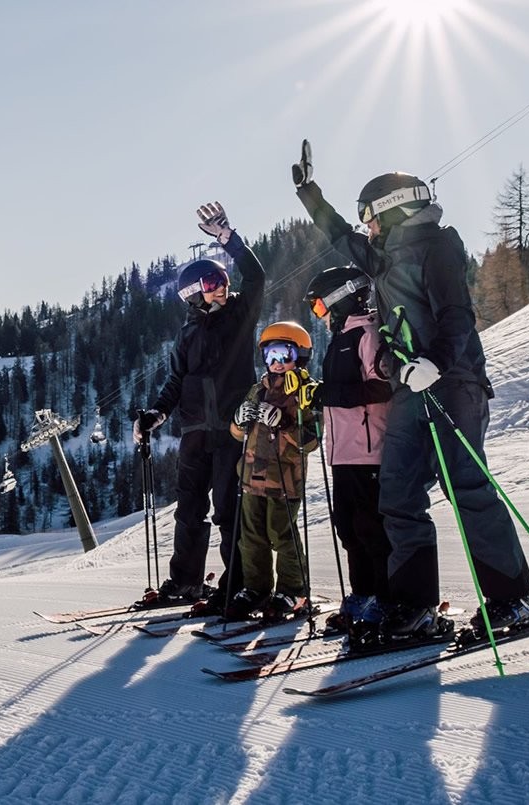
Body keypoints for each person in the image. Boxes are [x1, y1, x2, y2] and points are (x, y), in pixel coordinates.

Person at [288, 140, 529, 640]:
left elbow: (457, 315)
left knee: (466, 486)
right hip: (409, 390)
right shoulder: (380, 259)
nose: (365, 226)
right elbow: (338, 235)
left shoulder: (437, 247)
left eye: (369, 216)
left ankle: (512, 599)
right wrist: (308, 193)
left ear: (391, 209)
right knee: (397, 492)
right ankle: (414, 605)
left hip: (454, 381)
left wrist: (437, 362)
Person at [134, 201, 266, 609]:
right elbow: (176, 380)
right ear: (193, 293)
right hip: (194, 433)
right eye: (212, 283)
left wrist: (228, 237)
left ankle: (236, 585)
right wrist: (157, 414)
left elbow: (257, 276)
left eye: (222, 280)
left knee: (228, 510)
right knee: (189, 511)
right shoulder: (187, 333)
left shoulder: (240, 314)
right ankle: (185, 582)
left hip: (231, 430)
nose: (222, 287)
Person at [303, 265, 393, 633]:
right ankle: (362, 594)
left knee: (371, 529)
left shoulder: (367, 334)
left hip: (369, 452)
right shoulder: (341, 338)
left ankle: (385, 598)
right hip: (342, 453)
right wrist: (319, 396)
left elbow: (382, 388)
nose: (319, 314)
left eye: (319, 306)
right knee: (348, 528)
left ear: (340, 298)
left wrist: (330, 394)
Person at [225, 321, 320, 620]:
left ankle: (294, 590)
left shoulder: (305, 392)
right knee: (251, 537)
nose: (277, 362)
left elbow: (311, 440)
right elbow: (238, 434)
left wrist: (285, 423)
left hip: (284, 480)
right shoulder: (258, 390)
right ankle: (256, 588)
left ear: (300, 356)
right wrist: (238, 421)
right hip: (251, 477)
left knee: (282, 535)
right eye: (270, 355)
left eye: (284, 354)